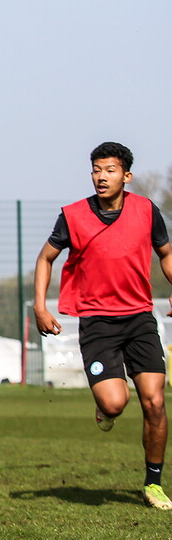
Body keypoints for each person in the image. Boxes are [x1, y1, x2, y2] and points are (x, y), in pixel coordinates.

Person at [33, 142, 172, 510]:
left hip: (140, 319)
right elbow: (46, 258)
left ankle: (153, 484)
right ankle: (104, 407)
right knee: (115, 405)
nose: (101, 177)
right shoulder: (74, 215)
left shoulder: (146, 210)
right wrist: (39, 306)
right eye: (96, 170)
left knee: (155, 402)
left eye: (109, 170)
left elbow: (166, 253)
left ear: (126, 176)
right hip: (97, 325)